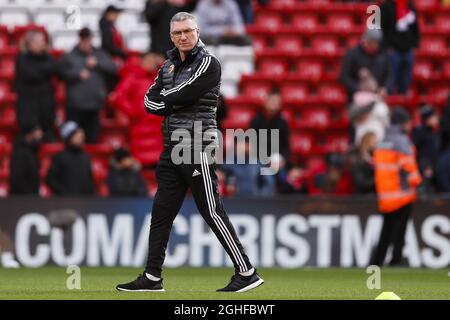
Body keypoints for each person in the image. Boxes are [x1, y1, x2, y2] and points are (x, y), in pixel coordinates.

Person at [117, 12, 263, 293]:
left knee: (211, 210)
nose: (183, 37)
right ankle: (152, 276)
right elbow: (149, 101)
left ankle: (247, 271)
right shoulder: (168, 65)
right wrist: (171, 101)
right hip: (172, 146)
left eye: (187, 31)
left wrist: (169, 101)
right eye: (177, 33)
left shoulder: (209, 63)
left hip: (196, 145)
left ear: (197, 32)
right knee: (161, 213)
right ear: (171, 36)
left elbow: (183, 93)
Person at [370, 107, 422, 266]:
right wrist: (419, 183)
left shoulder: (381, 142)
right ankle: (396, 261)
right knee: (399, 233)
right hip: (402, 195)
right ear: (402, 123)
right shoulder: (402, 142)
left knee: (385, 233)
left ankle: (376, 263)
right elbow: (409, 170)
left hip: (385, 196)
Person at [59, 27, 117, 143]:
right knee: (74, 140)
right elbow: (60, 72)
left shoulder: (100, 54)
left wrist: (98, 63)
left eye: (88, 39)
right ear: (79, 39)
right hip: (75, 106)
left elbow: (113, 68)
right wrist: (77, 74)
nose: (86, 43)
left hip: (94, 104)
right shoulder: (70, 55)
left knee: (93, 139)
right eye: (84, 39)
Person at [112, 52, 163, 166]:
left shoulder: (159, 79)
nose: (152, 64)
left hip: (157, 128)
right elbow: (119, 97)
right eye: (149, 61)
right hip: (140, 126)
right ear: (142, 62)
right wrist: (133, 111)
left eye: (154, 62)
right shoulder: (132, 77)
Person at [14, 30, 59, 142]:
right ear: (30, 43)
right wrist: (31, 125)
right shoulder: (22, 59)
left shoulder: (48, 58)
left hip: (47, 117)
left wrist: (41, 70)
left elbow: (55, 68)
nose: (42, 44)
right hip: (30, 120)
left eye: (43, 41)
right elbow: (31, 75)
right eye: (39, 41)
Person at [340, 28, 391, 101]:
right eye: (371, 42)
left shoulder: (383, 55)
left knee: (381, 110)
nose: (373, 46)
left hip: (378, 95)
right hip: (356, 97)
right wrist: (358, 88)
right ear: (364, 41)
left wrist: (385, 88)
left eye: (375, 43)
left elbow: (389, 75)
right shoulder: (352, 54)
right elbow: (344, 77)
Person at [381, 0, 420, 94]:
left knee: (406, 80)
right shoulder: (386, 6)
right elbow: (382, 27)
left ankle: (402, 103)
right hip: (393, 50)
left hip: (407, 50)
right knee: (391, 80)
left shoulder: (410, 6)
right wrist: (387, 46)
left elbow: (415, 27)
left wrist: (414, 45)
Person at [46, 121, 95, 196]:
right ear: (68, 138)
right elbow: (50, 179)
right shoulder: (59, 157)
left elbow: (89, 180)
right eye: (76, 135)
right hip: (65, 202)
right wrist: (63, 193)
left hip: (84, 202)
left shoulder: (86, 157)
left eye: (81, 136)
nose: (80, 138)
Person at [249, 90, 290, 162]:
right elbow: (251, 144)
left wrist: (283, 159)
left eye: (277, 101)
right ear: (265, 102)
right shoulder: (256, 121)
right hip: (258, 158)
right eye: (271, 100)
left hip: (276, 158)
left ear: (280, 105)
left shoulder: (283, 123)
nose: (274, 103)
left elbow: (286, 146)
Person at [412, 105, 440, 194]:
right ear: (427, 119)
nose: (436, 118)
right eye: (434, 116)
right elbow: (415, 150)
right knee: (426, 186)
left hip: (434, 163)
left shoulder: (433, 131)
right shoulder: (419, 132)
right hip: (425, 164)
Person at [9, 125, 43, 195]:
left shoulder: (32, 151)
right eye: (38, 131)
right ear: (29, 133)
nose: (41, 134)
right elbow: (17, 180)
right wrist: (31, 195)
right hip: (22, 200)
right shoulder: (20, 152)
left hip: (30, 198)